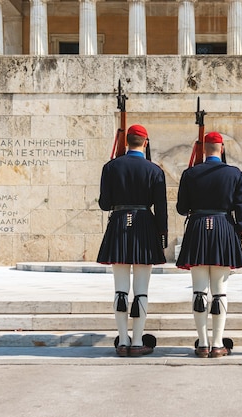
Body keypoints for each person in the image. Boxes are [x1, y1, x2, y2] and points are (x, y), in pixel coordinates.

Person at [97, 124, 168, 357]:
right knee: (141, 290)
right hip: (145, 226)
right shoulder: (154, 170)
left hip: (119, 224)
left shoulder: (111, 167)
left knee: (120, 290)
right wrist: (162, 235)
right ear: (145, 143)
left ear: (126, 142)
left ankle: (123, 340)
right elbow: (162, 209)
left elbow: (105, 204)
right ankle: (137, 341)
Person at [176, 132, 242, 358]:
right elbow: (241, 208)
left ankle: (203, 344)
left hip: (197, 227)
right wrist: (241, 231)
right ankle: (218, 344)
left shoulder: (190, 173)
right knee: (220, 292)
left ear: (203, 150)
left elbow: (181, 208)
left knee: (199, 291)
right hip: (224, 227)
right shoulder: (234, 173)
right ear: (222, 148)